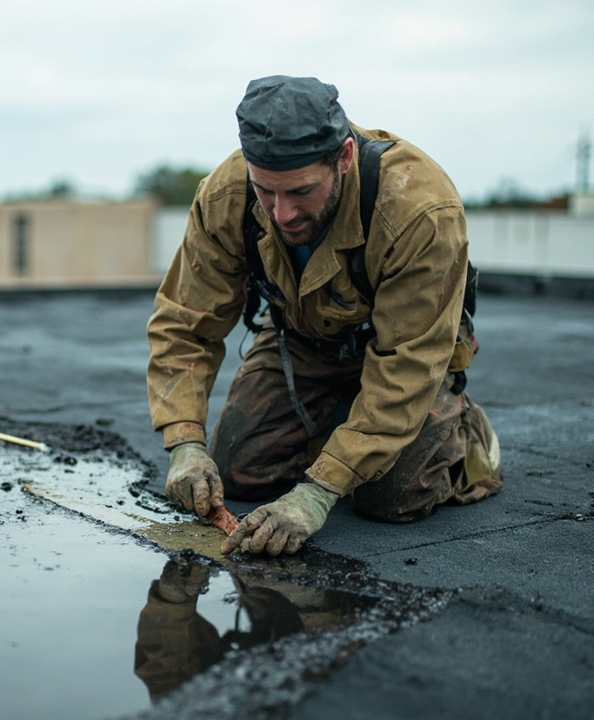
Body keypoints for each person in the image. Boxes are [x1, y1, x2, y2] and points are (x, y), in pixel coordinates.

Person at [146, 75, 503, 557]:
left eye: (301, 191)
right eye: (265, 191)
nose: (282, 213)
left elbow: (407, 364)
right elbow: (185, 324)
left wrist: (316, 494)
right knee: (237, 470)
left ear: (345, 159)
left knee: (392, 498)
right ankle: (347, 433)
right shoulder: (226, 196)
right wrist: (185, 442)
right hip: (304, 339)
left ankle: (463, 435)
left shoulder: (419, 210)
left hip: (405, 355)